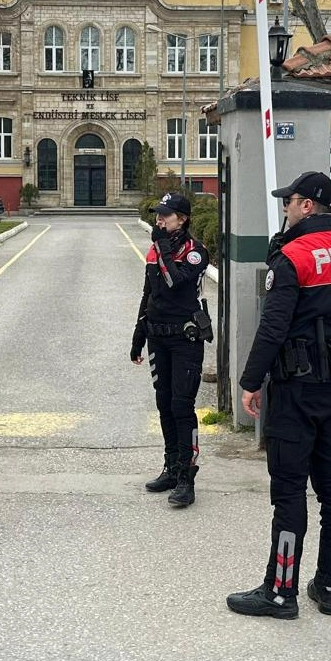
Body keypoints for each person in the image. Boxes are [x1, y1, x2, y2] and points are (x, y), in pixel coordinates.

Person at [227, 171, 331, 620]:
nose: (285, 207)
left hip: (296, 388)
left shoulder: (293, 257)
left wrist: (251, 381)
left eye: (289, 201)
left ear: (307, 205)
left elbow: (273, 327)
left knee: (289, 491)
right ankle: (330, 584)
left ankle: (280, 591)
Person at [130, 191, 210, 507]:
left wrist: (163, 246)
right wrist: (138, 336)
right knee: (164, 404)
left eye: (165, 215)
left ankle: (187, 478)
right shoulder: (155, 250)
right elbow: (148, 294)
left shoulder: (195, 252)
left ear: (183, 219)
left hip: (185, 339)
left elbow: (176, 283)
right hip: (157, 337)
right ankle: (171, 467)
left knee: (181, 406)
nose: (159, 221)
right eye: (158, 215)